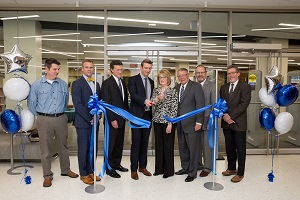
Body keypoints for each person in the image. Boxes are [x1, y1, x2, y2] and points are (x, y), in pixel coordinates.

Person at [27, 58, 78, 187]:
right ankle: (47, 175)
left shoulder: (62, 84)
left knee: (63, 146)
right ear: (47, 69)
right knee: (46, 149)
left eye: (58, 69)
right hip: (44, 119)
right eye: (55, 69)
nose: (57, 72)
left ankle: (65, 170)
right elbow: (31, 104)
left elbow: (66, 99)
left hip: (61, 118)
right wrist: (42, 116)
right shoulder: (37, 85)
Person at [71, 59, 101, 185]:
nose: (89, 69)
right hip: (83, 122)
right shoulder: (77, 83)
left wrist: (98, 115)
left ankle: (91, 171)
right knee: (83, 148)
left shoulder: (96, 84)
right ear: (82, 69)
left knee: (93, 148)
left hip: (95, 122)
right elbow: (78, 104)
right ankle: (83, 174)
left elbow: (99, 102)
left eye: (91, 67)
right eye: (87, 67)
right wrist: (90, 118)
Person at [220, 65, 251, 183]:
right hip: (226, 123)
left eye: (233, 73)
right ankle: (231, 168)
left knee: (240, 149)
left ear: (238, 74)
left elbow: (244, 104)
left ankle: (240, 172)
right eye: (229, 73)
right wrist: (225, 115)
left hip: (239, 123)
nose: (231, 75)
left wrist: (230, 116)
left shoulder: (245, 86)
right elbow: (221, 103)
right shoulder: (224, 87)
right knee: (230, 147)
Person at [174, 68, 205, 182]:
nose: (181, 77)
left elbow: (200, 105)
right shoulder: (176, 88)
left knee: (193, 149)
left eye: (184, 75)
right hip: (180, 124)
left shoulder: (196, 86)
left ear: (188, 75)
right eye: (179, 76)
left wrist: (199, 122)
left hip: (192, 124)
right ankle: (185, 168)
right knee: (183, 148)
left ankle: (192, 172)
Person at [101, 60, 129, 178]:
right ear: (111, 70)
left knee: (119, 144)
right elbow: (106, 103)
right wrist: (112, 119)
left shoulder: (122, 82)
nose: (120, 72)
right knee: (111, 144)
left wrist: (127, 115)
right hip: (112, 120)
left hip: (122, 118)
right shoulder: (107, 83)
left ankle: (116, 164)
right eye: (117, 70)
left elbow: (124, 101)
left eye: (121, 69)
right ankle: (109, 168)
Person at [128, 59, 154, 180]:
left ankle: (142, 167)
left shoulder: (152, 82)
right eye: (146, 68)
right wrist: (145, 101)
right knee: (136, 142)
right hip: (137, 116)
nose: (148, 70)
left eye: (149, 68)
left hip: (148, 116)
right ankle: (133, 169)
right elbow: (133, 95)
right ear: (141, 67)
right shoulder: (133, 80)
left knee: (145, 143)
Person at [151, 69, 178, 179]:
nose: (162, 79)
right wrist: (157, 98)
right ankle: (159, 169)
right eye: (160, 78)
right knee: (159, 145)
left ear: (168, 79)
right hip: (157, 121)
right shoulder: (156, 90)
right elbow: (152, 103)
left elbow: (174, 108)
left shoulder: (173, 91)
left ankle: (169, 170)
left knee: (168, 146)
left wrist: (170, 123)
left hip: (168, 122)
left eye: (164, 77)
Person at [195, 65, 217, 177]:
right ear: (195, 74)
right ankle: (198, 164)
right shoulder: (193, 86)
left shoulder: (212, 86)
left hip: (208, 120)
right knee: (197, 144)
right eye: (198, 73)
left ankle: (207, 167)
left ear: (206, 73)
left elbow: (214, 104)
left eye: (202, 72)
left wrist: (210, 121)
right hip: (195, 120)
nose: (200, 74)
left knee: (206, 145)